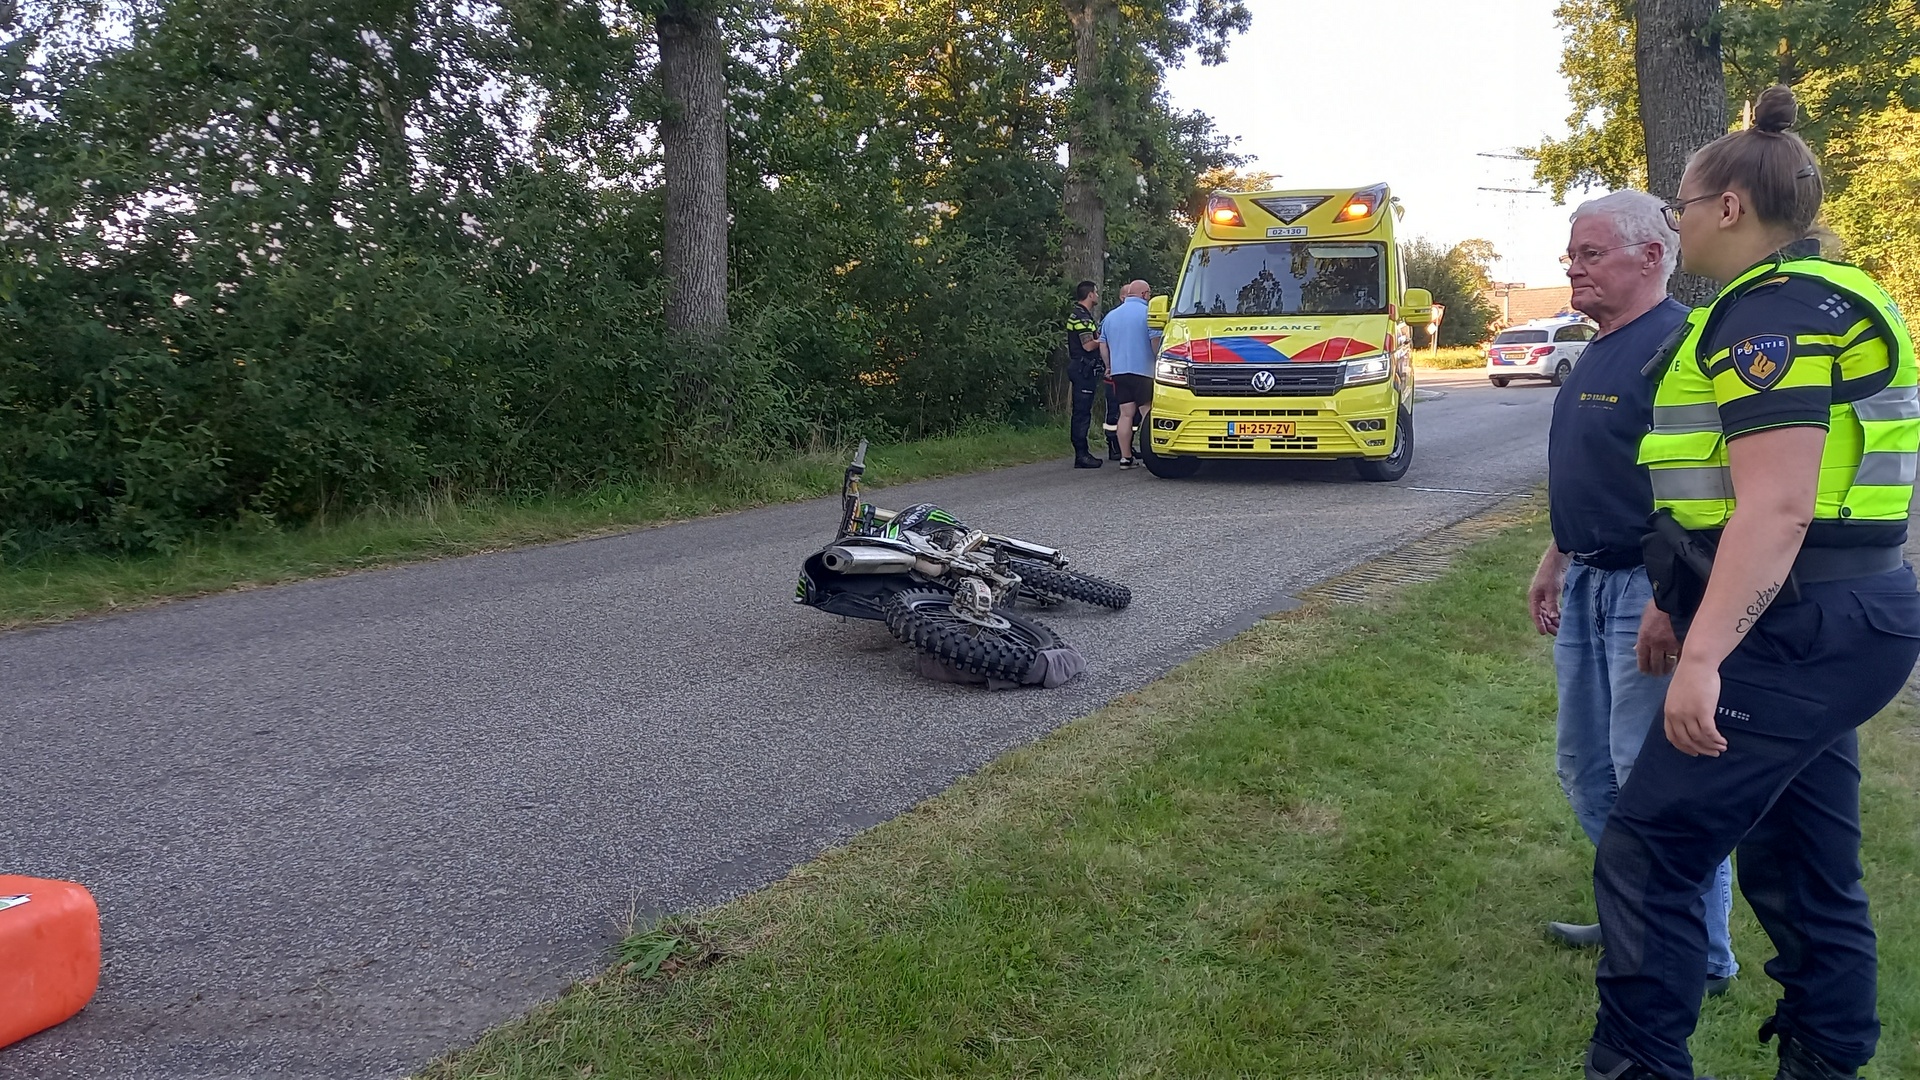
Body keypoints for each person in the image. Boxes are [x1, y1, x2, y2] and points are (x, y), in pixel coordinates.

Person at [1585, 84, 1920, 1080]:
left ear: (1728, 207)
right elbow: (1727, 497)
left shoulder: (1769, 317)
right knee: (1803, 860)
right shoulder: (1831, 294)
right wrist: (1675, 602)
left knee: (1648, 853)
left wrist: (1704, 657)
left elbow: (1776, 507)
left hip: (1797, 624)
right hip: (1837, 612)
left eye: (1682, 205)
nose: (1677, 222)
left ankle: (1637, 1065)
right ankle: (1826, 1058)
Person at [1527, 191, 1737, 995]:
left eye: (1590, 254)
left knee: (1653, 779)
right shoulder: (1599, 348)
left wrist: (1672, 601)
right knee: (1587, 768)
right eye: (1571, 256)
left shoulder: (1682, 347)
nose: (1573, 269)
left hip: (1646, 590)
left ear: (1652, 256)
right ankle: (1633, 915)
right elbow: (1604, 473)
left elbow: (1708, 492)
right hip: (1587, 580)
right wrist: (1556, 556)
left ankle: (1701, 955)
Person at [1099, 279, 1155, 469]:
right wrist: (1158, 359)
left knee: (1125, 414)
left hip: (1119, 372)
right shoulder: (1148, 314)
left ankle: (1125, 458)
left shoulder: (1111, 316)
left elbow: (1103, 345)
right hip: (1143, 371)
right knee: (1147, 412)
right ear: (1144, 294)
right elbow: (1155, 340)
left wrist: (1109, 366)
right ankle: (1151, 455)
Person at [1066, 280, 1106, 469]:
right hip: (1082, 369)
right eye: (1095, 292)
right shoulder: (1081, 318)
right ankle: (1081, 455)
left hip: (1083, 368)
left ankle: (1082, 453)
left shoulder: (1081, 315)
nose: (1097, 295)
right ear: (1090, 295)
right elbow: (1088, 345)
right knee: (1082, 413)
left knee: (1082, 411)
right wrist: (1104, 339)